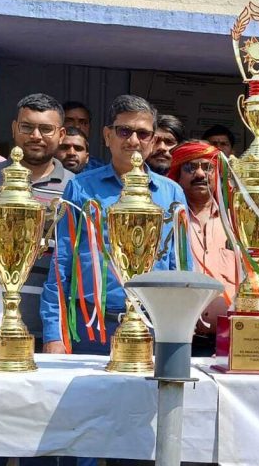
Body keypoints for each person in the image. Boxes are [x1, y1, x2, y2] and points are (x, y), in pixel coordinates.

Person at [41, 95, 189, 354]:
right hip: (91, 327)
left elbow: (181, 265)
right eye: (124, 131)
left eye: (143, 133)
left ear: (153, 140)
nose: (133, 140)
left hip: (153, 326)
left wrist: (179, 332)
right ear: (107, 136)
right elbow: (61, 261)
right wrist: (54, 333)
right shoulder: (81, 187)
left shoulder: (171, 192)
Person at [0, 93, 74, 351]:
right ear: (15, 128)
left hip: (49, 329)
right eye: (27, 127)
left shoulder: (74, 187)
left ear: (61, 134)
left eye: (46, 129)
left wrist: (58, 330)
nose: (35, 136)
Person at [167, 141, 236, 356]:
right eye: (190, 167)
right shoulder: (167, 219)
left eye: (207, 167)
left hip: (232, 339)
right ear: (178, 175)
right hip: (178, 338)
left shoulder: (236, 219)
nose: (199, 174)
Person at [63, 101, 105, 171]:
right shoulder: (46, 165)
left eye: (82, 122)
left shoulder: (99, 169)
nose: (77, 126)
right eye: (69, 121)